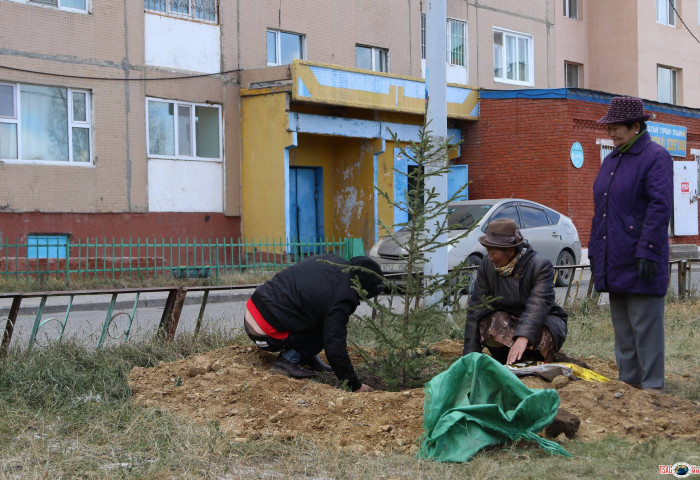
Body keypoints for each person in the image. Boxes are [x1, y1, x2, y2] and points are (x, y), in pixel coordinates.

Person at [589, 96, 673, 394]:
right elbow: (602, 210)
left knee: (645, 327)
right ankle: (629, 383)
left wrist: (648, 248)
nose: (610, 134)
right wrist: (596, 252)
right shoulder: (612, 159)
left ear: (636, 126)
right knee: (623, 328)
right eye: (609, 128)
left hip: (641, 258)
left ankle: (652, 388)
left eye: (616, 128)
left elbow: (660, 206)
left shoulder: (655, 157)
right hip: (615, 257)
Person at [243, 254, 385, 393]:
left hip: (253, 312)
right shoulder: (343, 296)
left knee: (316, 313)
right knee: (327, 329)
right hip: (268, 334)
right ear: (363, 287)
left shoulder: (330, 260)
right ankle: (287, 361)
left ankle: (306, 356)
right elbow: (334, 345)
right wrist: (354, 385)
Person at [462, 218, 568, 365]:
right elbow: (476, 308)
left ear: (511, 251)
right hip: (507, 320)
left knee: (543, 333)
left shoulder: (540, 266)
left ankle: (537, 360)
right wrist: (469, 358)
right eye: (488, 252)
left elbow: (538, 305)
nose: (490, 258)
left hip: (543, 321)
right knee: (488, 321)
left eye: (493, 253)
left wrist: (523, 337)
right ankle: (505, 360)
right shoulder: (487, 266)